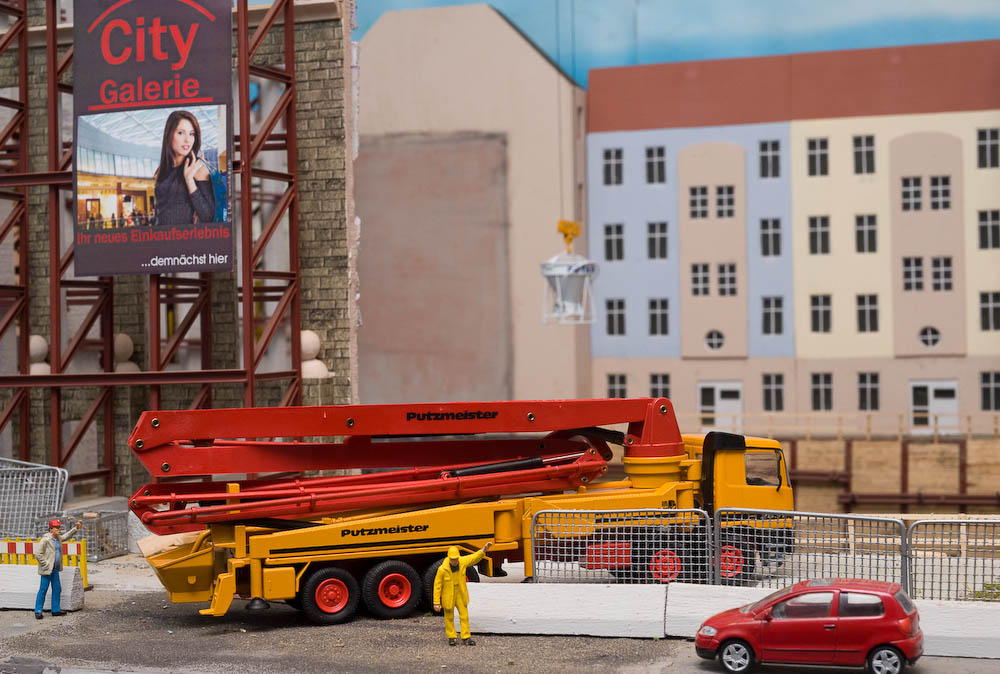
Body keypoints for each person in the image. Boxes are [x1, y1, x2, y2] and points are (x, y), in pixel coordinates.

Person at [153, 110, 215, 226]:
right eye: (181, 133)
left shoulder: (197, 168)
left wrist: (189, 180)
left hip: (183, 236)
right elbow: (159, 211)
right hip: (160, 235)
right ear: (169, 134)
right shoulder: (162, 169)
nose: (187, 140)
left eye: (192, 134)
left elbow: (208, 216)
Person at [433, 541, 492, 646]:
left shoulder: (462, 562)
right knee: (449, 617)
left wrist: (483, 550)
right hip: (448, 596)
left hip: (460, 593)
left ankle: (466, 637)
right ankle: (451, 637)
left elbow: (473, 558)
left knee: (464, 616)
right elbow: (437, 586)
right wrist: (436, 602)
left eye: (456, 559)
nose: (454, 561)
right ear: (449, 558)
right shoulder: (442, 570)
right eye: (452, 559)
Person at [34, 518, 83, 619]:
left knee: (57, 588)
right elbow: (38, 553)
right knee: (43, 589)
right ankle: (38, 610)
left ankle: (55, 610)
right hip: (47, 570)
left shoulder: (58, 538)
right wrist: (45, 564)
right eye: (56, 528)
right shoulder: (45, 540)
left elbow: (66, 536)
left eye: (59, 527)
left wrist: (76, 528)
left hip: (55, 569)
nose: (58, 529)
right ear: (51, 529)